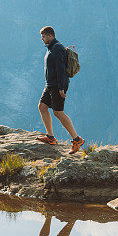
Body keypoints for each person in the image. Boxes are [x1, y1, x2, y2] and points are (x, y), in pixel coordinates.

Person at [37, 26, 85, 154]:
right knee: (42, 106)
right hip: (50, 85)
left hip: (57, 86)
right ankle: (50, 137)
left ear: (50, 35)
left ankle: (77, 139)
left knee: (58, 112)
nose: (42, 39)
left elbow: (61, 69)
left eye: (43, 36)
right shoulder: (51, 48)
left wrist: (61, 88)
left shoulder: (57, 48)